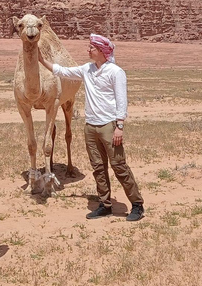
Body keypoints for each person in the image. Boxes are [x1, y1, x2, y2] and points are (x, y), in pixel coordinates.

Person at [38, 33, 144, 221]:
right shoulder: (87, 69)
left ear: (102, 51)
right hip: (91, 126)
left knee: (119, 166)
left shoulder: (116, 72)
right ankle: (105, 204)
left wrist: (119, 126)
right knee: (97, 167)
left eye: (91, 48)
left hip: (109, 126)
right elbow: (62, 71)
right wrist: (41, 60)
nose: (88, 50)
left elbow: (122, 100)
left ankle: (137, 205)